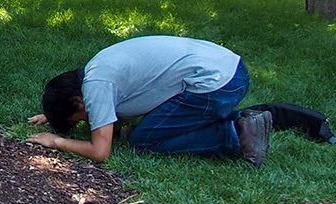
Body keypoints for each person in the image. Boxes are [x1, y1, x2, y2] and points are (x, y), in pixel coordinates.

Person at [26, 36, 273, 166]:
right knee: (154, 126)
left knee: (144, 139)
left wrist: (57, 141)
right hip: (228, 67)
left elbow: (100, 152)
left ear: (79, 101)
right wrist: (55, 113)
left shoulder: (96, 87)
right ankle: (243, 122)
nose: (88, 120)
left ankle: (236, 135)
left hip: (217, 85)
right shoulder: (95, 70)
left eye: (80, 118)